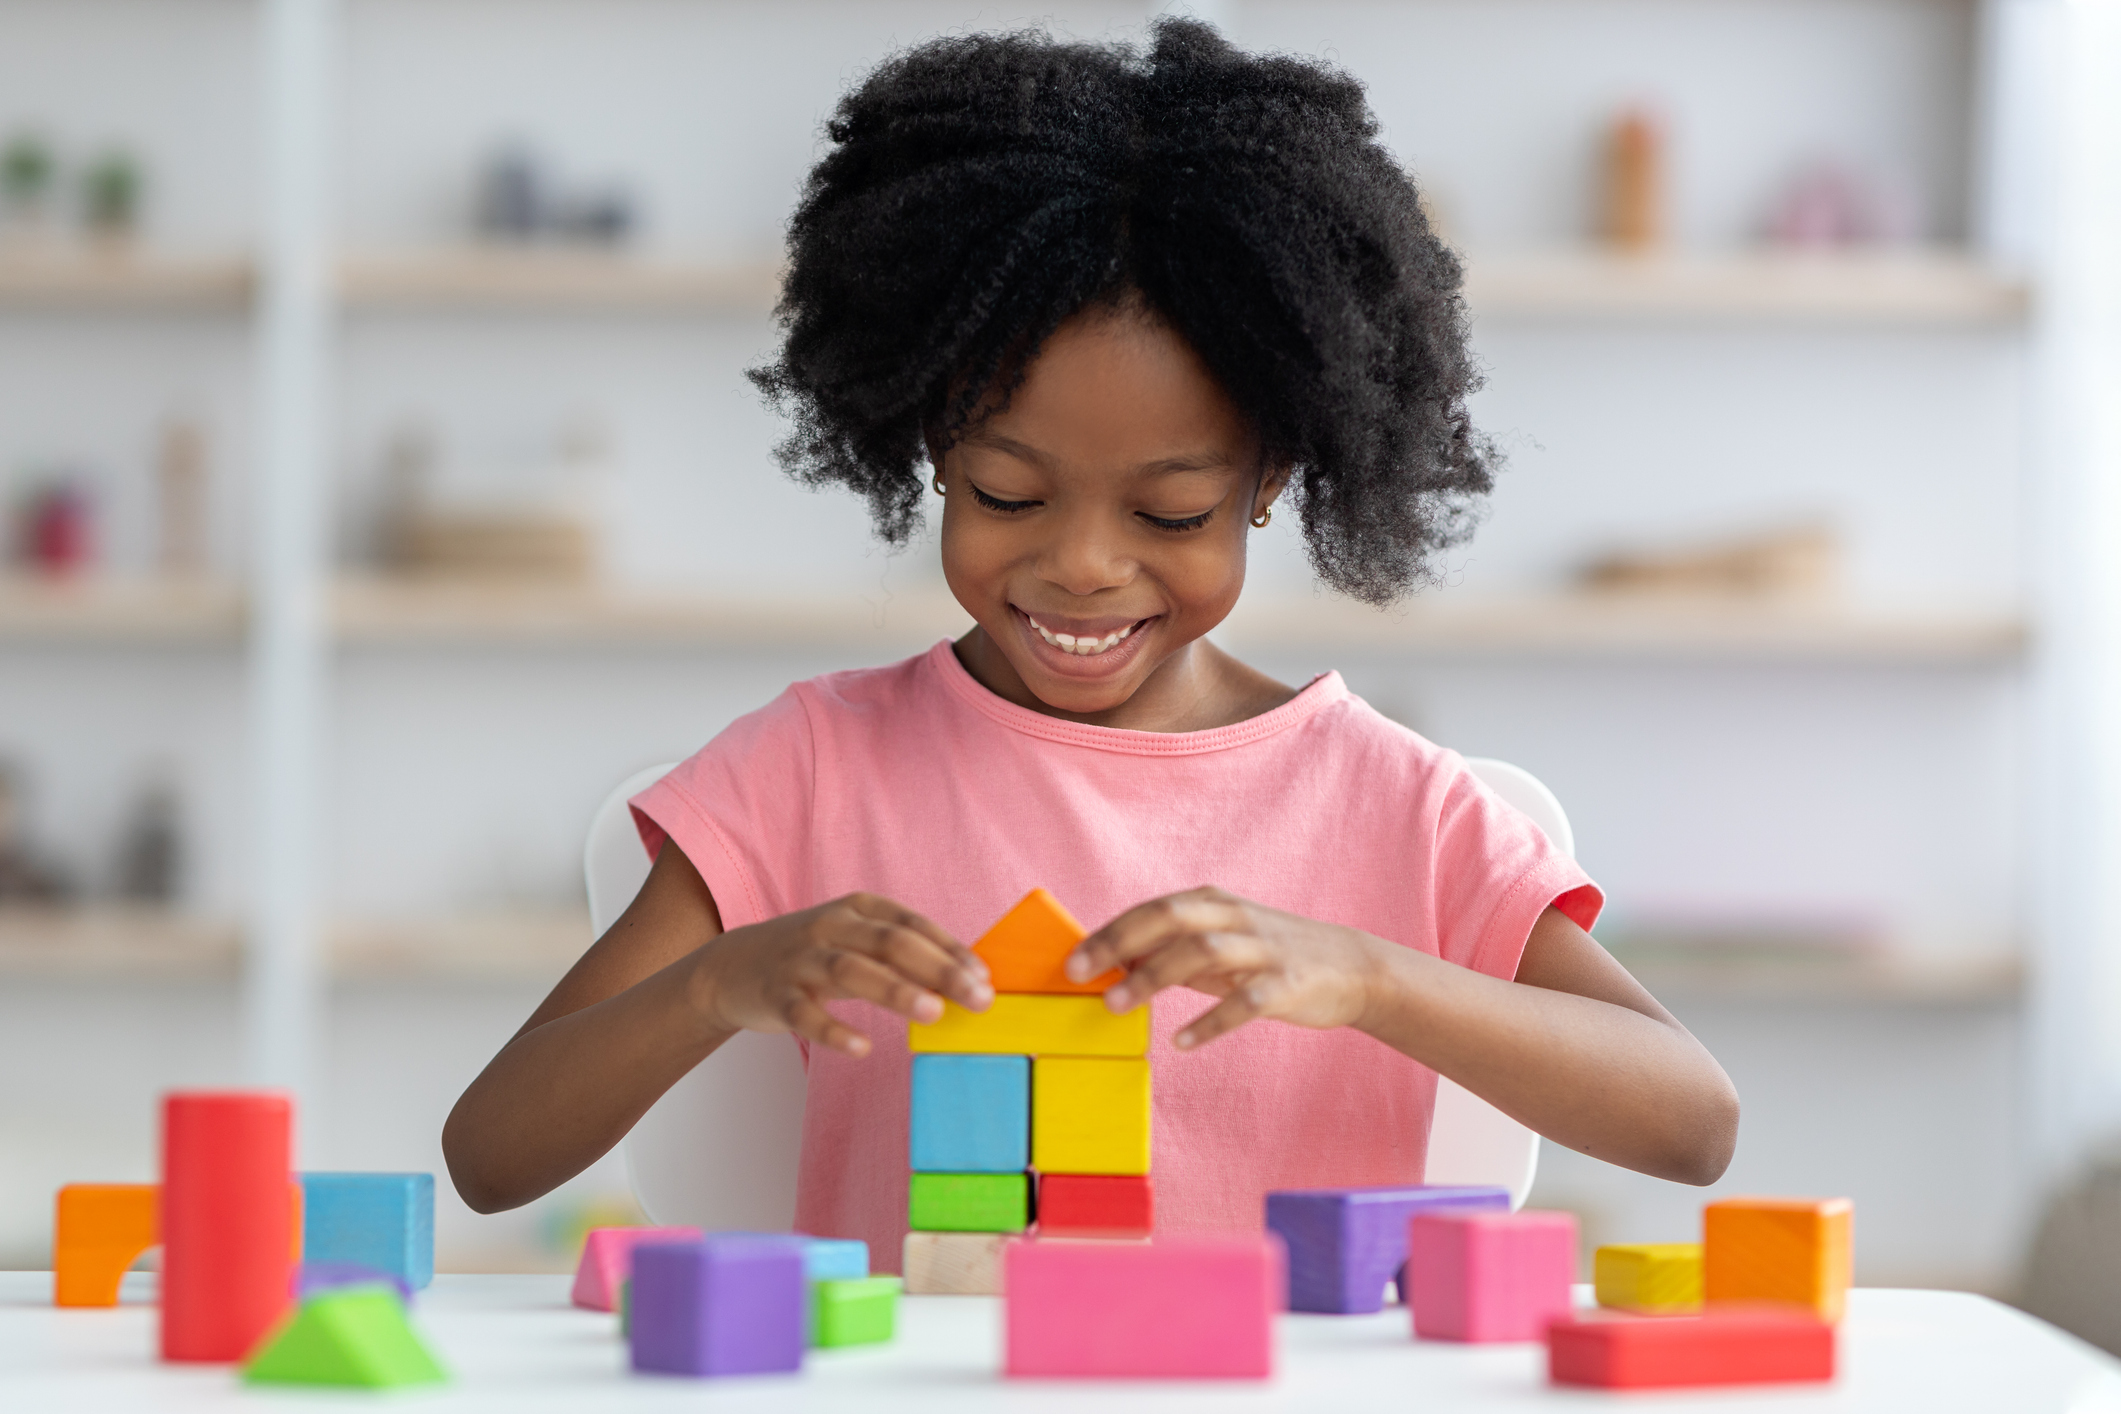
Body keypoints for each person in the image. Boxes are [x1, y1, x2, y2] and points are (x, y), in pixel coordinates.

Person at [443, 20, 1738, 1267]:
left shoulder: (1395, 806)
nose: (1080, 563)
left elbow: (1691, 1120)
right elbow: (491, 1154)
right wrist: (715, 984)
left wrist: (1367, 976)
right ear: (928, 447)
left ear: (1268, 478)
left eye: (1169, 511)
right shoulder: (810, 765)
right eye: (1007, 493)